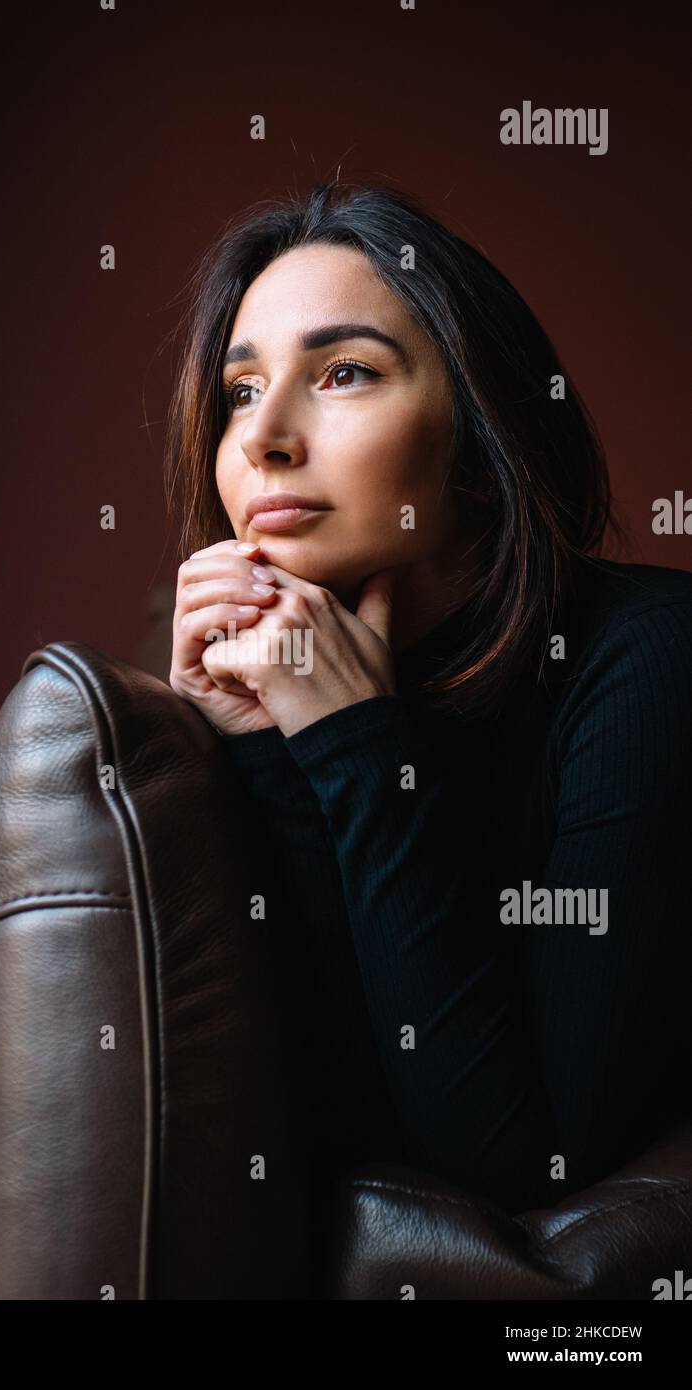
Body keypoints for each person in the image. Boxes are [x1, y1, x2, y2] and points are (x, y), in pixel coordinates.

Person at [164, 180, 692, 1215]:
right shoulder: (276, 699)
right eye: (238, 390)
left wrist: (359, 747)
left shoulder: (648, 660)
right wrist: (272, 746)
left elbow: (515, 1168)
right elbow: (352, 1127)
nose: (264, 435)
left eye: (344, 372)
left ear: (480, 430)